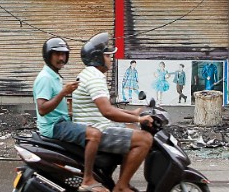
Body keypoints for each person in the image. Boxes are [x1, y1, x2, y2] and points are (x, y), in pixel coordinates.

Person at [72, 33, 153, 192]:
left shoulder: (88, 74)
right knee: (145, 139)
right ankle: (121, 186)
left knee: (132, 130)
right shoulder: (95, 78)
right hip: (97, 130)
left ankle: (120, 182)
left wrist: (132, 115)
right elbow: (107, 111)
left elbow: (107, 108)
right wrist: (138, 118)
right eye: (108, 56)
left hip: (94, 126)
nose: (111, 59)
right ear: (98, 58)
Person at [32, 37, 104, 192]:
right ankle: (88, 179)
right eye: (57, 54)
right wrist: (64, 92)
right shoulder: (45, 78)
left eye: (64, 54)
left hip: (60, 122)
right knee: (94, 135)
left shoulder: (54, 75)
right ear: (48, 55)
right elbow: (42, 109)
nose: (61, 58)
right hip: (54, 126)